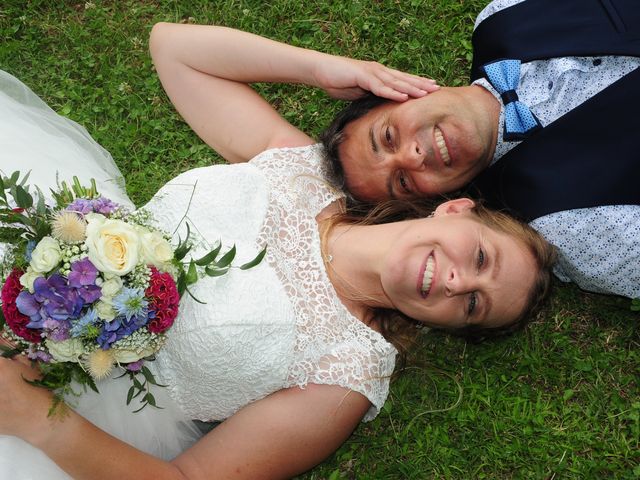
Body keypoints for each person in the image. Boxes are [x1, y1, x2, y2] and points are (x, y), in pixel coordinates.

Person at [0, 23, 555, 480]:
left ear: (446, 323)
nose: (459, 283)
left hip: (61, 396)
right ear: (454, 209)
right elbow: (174, 49)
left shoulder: (345, 377)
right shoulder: (302, 170)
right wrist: (323, 69)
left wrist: (38, 421)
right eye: (481, 259)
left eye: (473, 306)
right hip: (41, 241)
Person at [320, 0, 640, 300]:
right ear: (435, 201)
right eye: (403, 181)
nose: (412, 156)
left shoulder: (499, 16)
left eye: (388, 137)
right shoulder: (568, 225)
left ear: (398, 90)